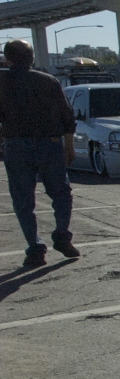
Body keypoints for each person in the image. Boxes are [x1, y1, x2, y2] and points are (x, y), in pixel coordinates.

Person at [0, 39, 80, 268]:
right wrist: (69, 145)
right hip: (49, 143)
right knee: (61, 194)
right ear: (32, 57)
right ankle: (62, 236)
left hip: (16, 145)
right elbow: (67, 116)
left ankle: (35, 249)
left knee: (23, 199)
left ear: (8, 58)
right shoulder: (48, 81)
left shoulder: (2, 82)